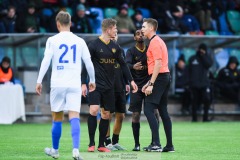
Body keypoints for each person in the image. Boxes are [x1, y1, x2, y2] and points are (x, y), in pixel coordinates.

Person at [35, 11, 96, 160]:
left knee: (57, 116)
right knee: (74, 115)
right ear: (70, 23)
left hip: (58, 83)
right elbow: (88, 62)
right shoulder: (79, 41)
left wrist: (39, 80)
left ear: (57, 24)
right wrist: (92, 80)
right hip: (74, 83)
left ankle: (55, 150)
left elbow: (46, 61)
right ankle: (75, 151)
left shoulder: (52, 40)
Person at [83, 18, 138, 152]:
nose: (116, 31)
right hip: (95, 85)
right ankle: (91, 143)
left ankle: (101, 145)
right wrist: (83, 84)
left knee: (106, 114)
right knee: (94, 110)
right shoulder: (93, 45)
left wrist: (130, 81)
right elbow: (86, 65)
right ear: (108, 30)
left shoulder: (116, 47)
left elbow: (124, 65)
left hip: (109, 86)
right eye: (115, 28)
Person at [141, 18, 174, 152]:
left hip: (160, 78)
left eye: (143, 27)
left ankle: (156, 143)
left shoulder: (154, 42)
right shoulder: (158, 41)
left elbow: (158, 64)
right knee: (163, 111)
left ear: (151, 28)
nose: (142, 29)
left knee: (148, 109)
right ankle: (169, 145)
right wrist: (148, 82)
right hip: (163, 77)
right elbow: (158, 65)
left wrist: (151, 84)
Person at [125, 29, 160, 151]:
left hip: (149, 85)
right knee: (136, 114)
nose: (140, 35)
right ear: (134, 37)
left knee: (155, 113)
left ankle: (154, 141)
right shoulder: (130, 51)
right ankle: (137, 144)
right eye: (137, 34)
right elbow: (125, 65)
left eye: (142, 33)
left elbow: (156, 63)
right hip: (136, 86)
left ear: (145, 36)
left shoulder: (150, 49)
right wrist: (132, 66)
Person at [103, 33, 130, 151]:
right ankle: (107, 141)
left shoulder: (120, 50)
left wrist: (127, 82)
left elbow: (124, 67)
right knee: (107, 114)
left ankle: (115, 141)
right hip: (107, 88)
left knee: (121, 115)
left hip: (120, 87)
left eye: (116, 34)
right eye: (112, 34)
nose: (114, 36)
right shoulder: (102, 51)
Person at [188, 43, 212, 122]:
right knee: (194, 101)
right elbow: (188, 71)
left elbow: (208, 64)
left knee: (207, 99)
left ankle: (205, 118)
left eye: (203, 50)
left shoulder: (207, 58)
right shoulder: (192, 58)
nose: (201, 51)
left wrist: (203, 56)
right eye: (201, 49)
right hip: (194, 84)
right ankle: (194, 119)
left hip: (204, 84)